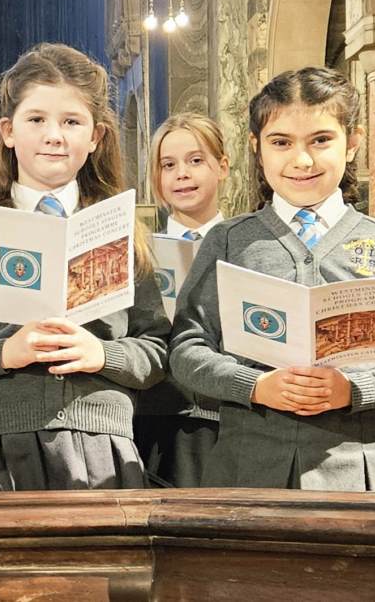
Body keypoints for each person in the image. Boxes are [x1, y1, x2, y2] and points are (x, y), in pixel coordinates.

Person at [168, 67, 375, 491]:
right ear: (257, 148)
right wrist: (255, 385)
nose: (302, 160)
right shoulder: (228, 241)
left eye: (321, 140)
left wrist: (355, 387)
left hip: (359, 467)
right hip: (247, 467)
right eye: (281, 143)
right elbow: (187, 348)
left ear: (352, 143)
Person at [0, 43, 169, 491]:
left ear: (96, 137)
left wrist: (102, 353)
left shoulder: (120, 231)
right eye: (36, 120)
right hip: (0, 445)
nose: (54, 136)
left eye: (71, 122)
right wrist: (3, 352)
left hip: (102, 444)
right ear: (8, 131)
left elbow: (156, 348)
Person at [135, 112, 230, 488]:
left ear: (222, 167)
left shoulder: (247, 247)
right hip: (156, 417)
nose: (182, 174)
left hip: (230, 415)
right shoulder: (139, 253)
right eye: (168, 165)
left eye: (195, 160)